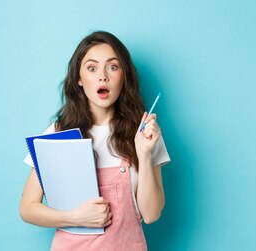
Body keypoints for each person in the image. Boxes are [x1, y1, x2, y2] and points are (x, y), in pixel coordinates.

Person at [19, 31, 171, 250]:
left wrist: (144, 154)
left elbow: (151, 214)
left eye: (113, 67)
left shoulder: (144, 133)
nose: (103, 76)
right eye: (92, 68)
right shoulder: (58, 133)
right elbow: (27, 208)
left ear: (124, 75)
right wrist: (76, 217)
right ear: (79, 79)